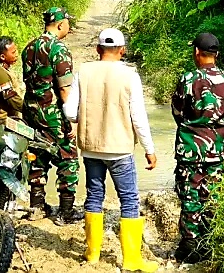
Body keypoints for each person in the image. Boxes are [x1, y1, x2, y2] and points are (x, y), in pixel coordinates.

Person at [63, 28, 158, 271]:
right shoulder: (130, 75)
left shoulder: (84, 71)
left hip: (91, 148)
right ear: (123, 50)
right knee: (128, 198)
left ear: (97, 50)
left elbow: (70, 111)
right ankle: (131, 259)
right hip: (120, 149)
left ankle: (92, 253)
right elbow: (138, 117)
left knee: (94, 195)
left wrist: (87, 117)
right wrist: (149, 148)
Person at [171, 32, 224, 263]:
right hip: (216, 148)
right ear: (215, 54)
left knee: (190, 194)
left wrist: (192, 126)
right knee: (211, 196)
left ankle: (189, 246)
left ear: (197, 53)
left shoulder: (188, 79)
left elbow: (177, 111)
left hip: (190, 146)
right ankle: (208, 243)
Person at [22, 7, 81, 225]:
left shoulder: (28, 47)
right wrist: (72, 119)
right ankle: (66, 211)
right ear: (59, 24)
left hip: (30, 111)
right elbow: (64, 89)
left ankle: (37, 206)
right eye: (67, 23)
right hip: (53, 112)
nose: (69, 27)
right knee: (68, 158)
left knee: (36, 154)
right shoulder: (59, 49)